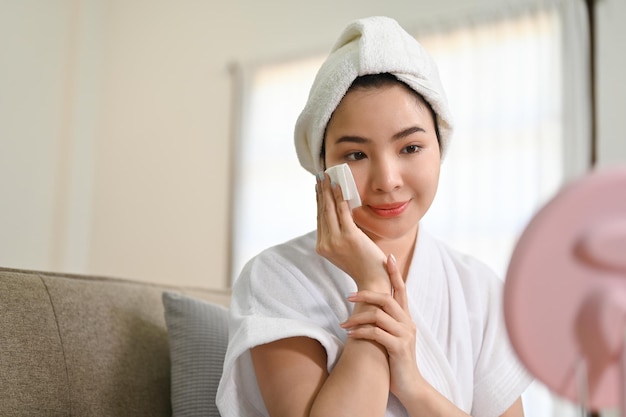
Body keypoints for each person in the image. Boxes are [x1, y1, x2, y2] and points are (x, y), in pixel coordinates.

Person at [216, 15, 532, 417]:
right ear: (323, 168)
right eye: (356, 154)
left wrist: (413, 386)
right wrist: (373, 284)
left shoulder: (480, 290)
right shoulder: (275, 278)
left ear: (440, 146)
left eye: (410, 148)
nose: (387, 180)